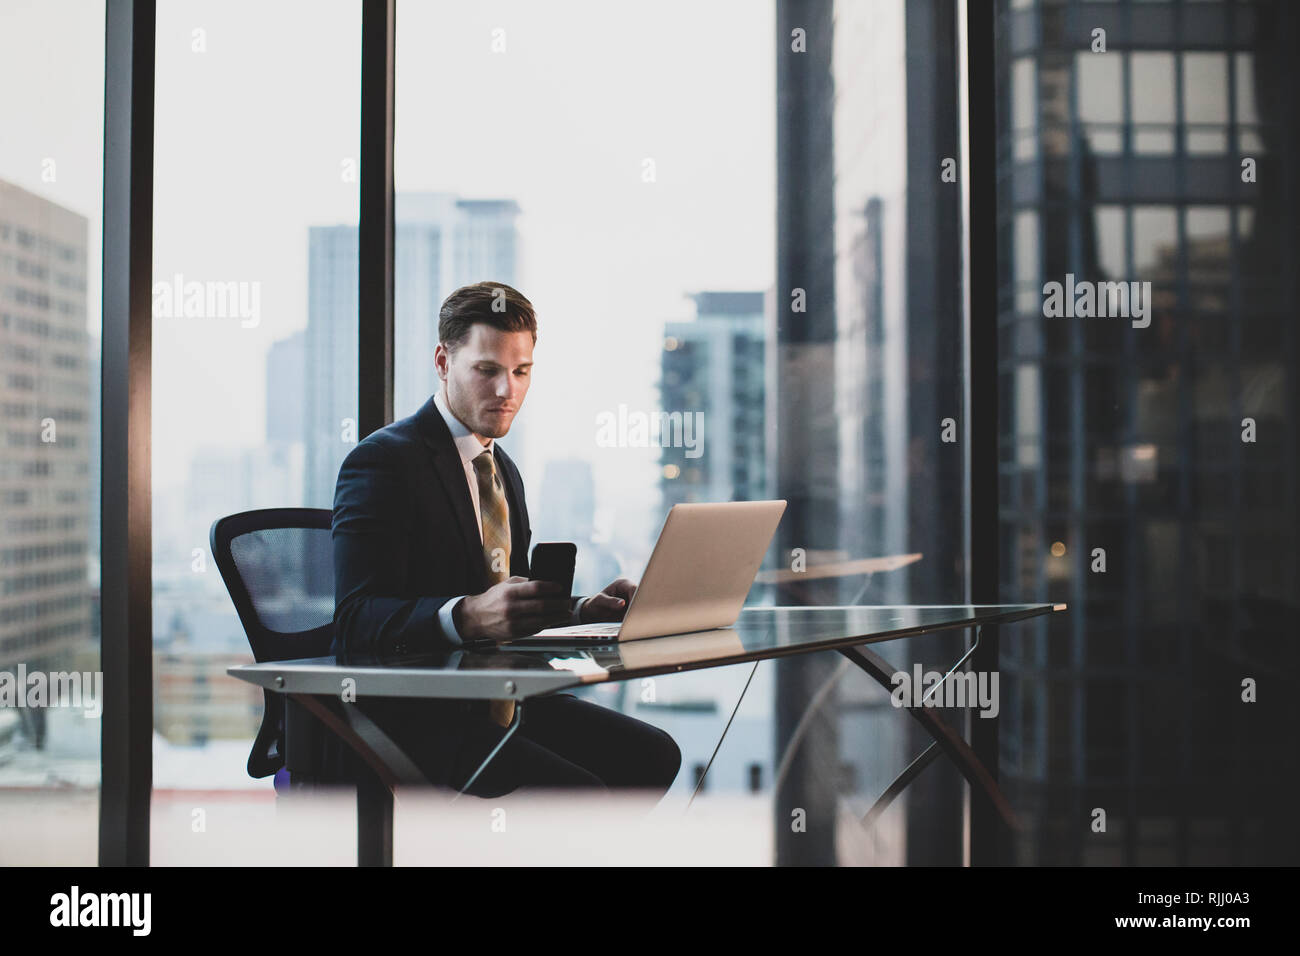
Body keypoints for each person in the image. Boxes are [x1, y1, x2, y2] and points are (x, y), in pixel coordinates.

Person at [331, 281, 681, 797]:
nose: (506, 391)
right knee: (580, 793)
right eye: (488, 370)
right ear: (443, 362)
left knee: (653, 756)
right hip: (420, 712)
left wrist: (581, 609)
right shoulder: (383, 461)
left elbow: (502, 598)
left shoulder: (502, 471)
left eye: (521, 372)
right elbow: (354, 622)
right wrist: (465, 615)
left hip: (502, 693)